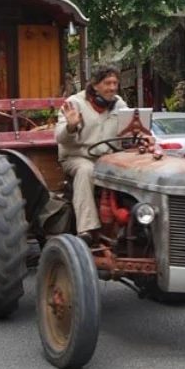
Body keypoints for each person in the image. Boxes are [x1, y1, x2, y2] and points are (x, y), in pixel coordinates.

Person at [56, 65, 130, 241]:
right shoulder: (74, 103)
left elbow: (129, 131)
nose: (112, 87)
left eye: (115, 83)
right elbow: (61, 138)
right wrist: (71, 126)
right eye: (107, 83)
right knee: (86, 170)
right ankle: (86, 229)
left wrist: (142, 136)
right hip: (78, 157)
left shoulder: (119, 104)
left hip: (109, 158)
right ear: (95, 85)